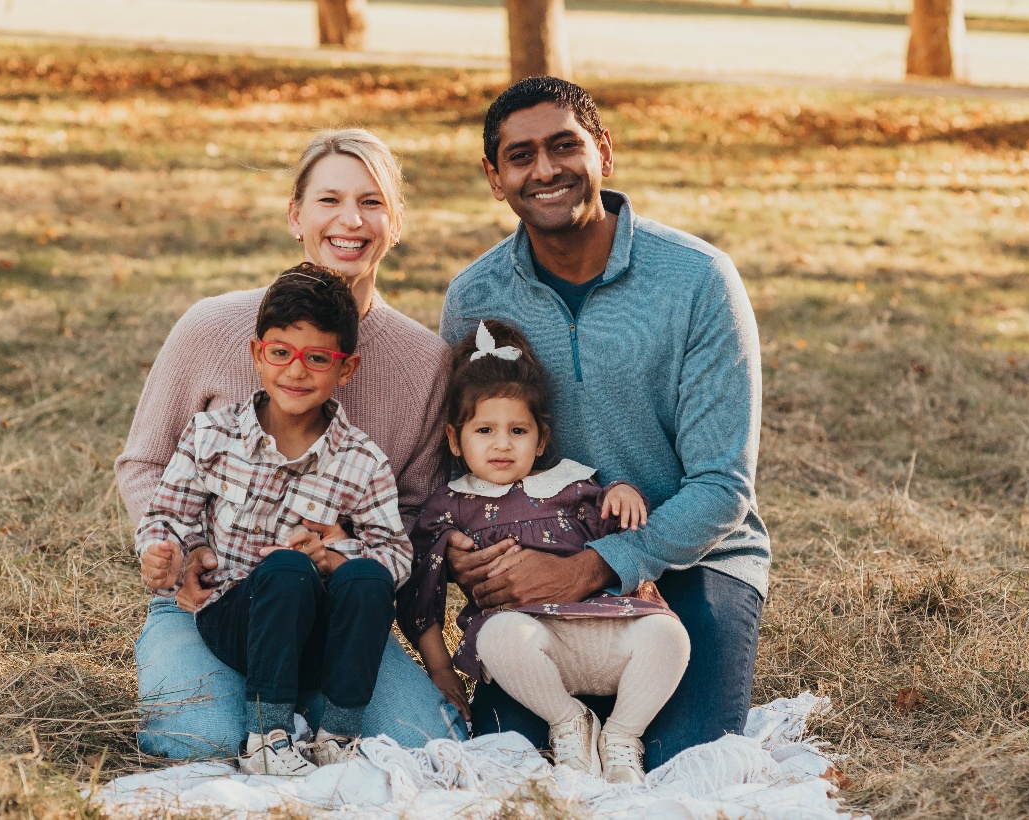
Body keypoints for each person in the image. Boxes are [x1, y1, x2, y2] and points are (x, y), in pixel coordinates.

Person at [439, 77, 769, 769]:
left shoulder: (698, 278)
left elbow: (722, 483)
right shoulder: (475, 297)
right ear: (495, 178)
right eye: (521, 156)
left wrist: (595, 567)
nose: (546, 169)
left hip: (692, 558)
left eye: (566, 146)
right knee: (513, 759)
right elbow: (467, 453)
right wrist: (462, 551)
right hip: (535, 563)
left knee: (683, 760)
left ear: (605, 152)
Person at [117, 129, 466, 760]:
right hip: (212, 600)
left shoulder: (424, 363)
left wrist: (342, 549)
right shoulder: (211, 327)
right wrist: (186, 548)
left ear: (396, 222)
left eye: (372, 202)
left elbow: (413, 515)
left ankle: (319, 711)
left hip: (342, 616)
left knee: (425, 745)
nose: (350, 220)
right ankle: (257, 712)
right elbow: (144, 463)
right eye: (329, 199)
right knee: (200, 742)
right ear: (295, 215)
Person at [137, 264, 412, 775]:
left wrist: (334, 557)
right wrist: (166, 553)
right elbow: (167, 515)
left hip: (320, 634)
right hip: (234, 619)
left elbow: (397, 553)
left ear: (345, 369)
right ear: (257, 354)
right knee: (285, 571)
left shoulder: (362, 460)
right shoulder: (211, 435)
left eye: (318, 358)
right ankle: (268, 737)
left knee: (368, 575)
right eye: (281, 353)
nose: (296, 371)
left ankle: (339, 735)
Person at [397, 320, 690, 784]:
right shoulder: (451, 505)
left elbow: (613, 524)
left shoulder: (569, 484)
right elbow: (419, 587)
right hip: (535, 648)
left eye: (518, 430)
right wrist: (438, 666)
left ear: (541, 440)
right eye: (485, 429)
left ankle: (622, 737)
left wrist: (622, 492)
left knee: (668, 637)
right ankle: (569, 722)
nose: (501, 443)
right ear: (455, 439)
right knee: (498, 636)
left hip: (606, 628)